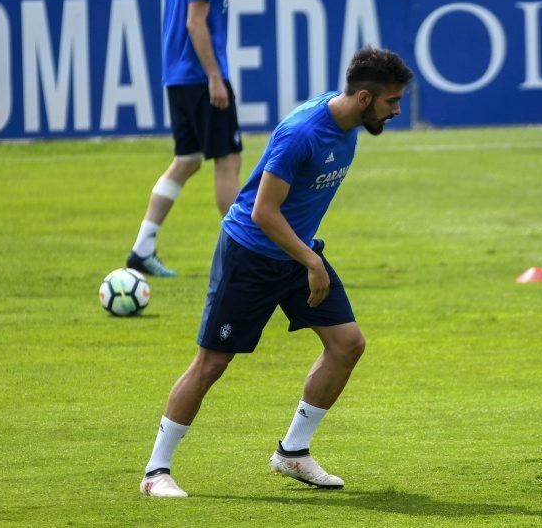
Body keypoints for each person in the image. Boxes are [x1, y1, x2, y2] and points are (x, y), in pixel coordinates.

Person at [139, 46, 414, 497]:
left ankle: (293, 452)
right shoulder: (301, 133)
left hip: (296, 252)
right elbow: (263, 213)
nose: (397, 110)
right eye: (392, 102)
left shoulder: (350, 124)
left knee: (347, 345)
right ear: (364, 98)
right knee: (212, 363)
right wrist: (311, 263)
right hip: (250, 254)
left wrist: (306, 257)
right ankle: (156, 472)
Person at [127, 0, 242, 277]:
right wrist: (214, 77)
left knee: (187, 160)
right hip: (201, 77)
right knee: (228, 161)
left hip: (178, 76)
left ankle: (142, 248)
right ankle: (246, 250)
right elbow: (194, 22)